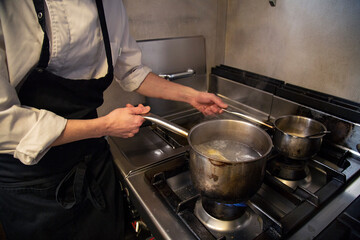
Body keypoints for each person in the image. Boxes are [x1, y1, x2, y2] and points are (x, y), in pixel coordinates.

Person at [0, 0, 227, 239]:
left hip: (92, 158)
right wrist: (106, 126)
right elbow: (5, 124)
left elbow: (132, 71)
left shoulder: (110, 4)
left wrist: (192, 96)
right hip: (33, 179)